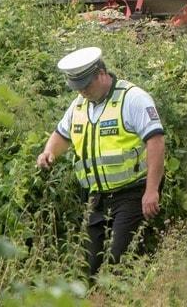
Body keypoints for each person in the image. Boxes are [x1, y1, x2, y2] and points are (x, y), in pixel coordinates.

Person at [36, 47, 165, 278]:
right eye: (78, 88)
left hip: (131, 193)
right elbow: (61, 135)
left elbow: (155, 141)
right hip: (95, 199)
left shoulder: (133, 98)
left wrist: (152, 190)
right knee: (89, 267)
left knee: (120, 260)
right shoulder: (78, 106)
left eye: (86, 86)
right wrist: (49, 152)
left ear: (101, 73)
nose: (82, 92)